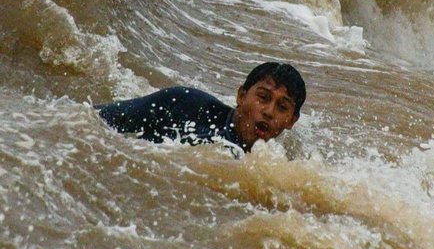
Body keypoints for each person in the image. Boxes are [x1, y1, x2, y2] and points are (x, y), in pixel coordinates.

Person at [95, 61, 306, 154]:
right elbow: (92, 118)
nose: (269, 111)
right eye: (263, 97)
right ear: (241, 95)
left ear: (291, 121)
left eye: (282, 107)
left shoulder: (276, 167)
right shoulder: (182, 103)